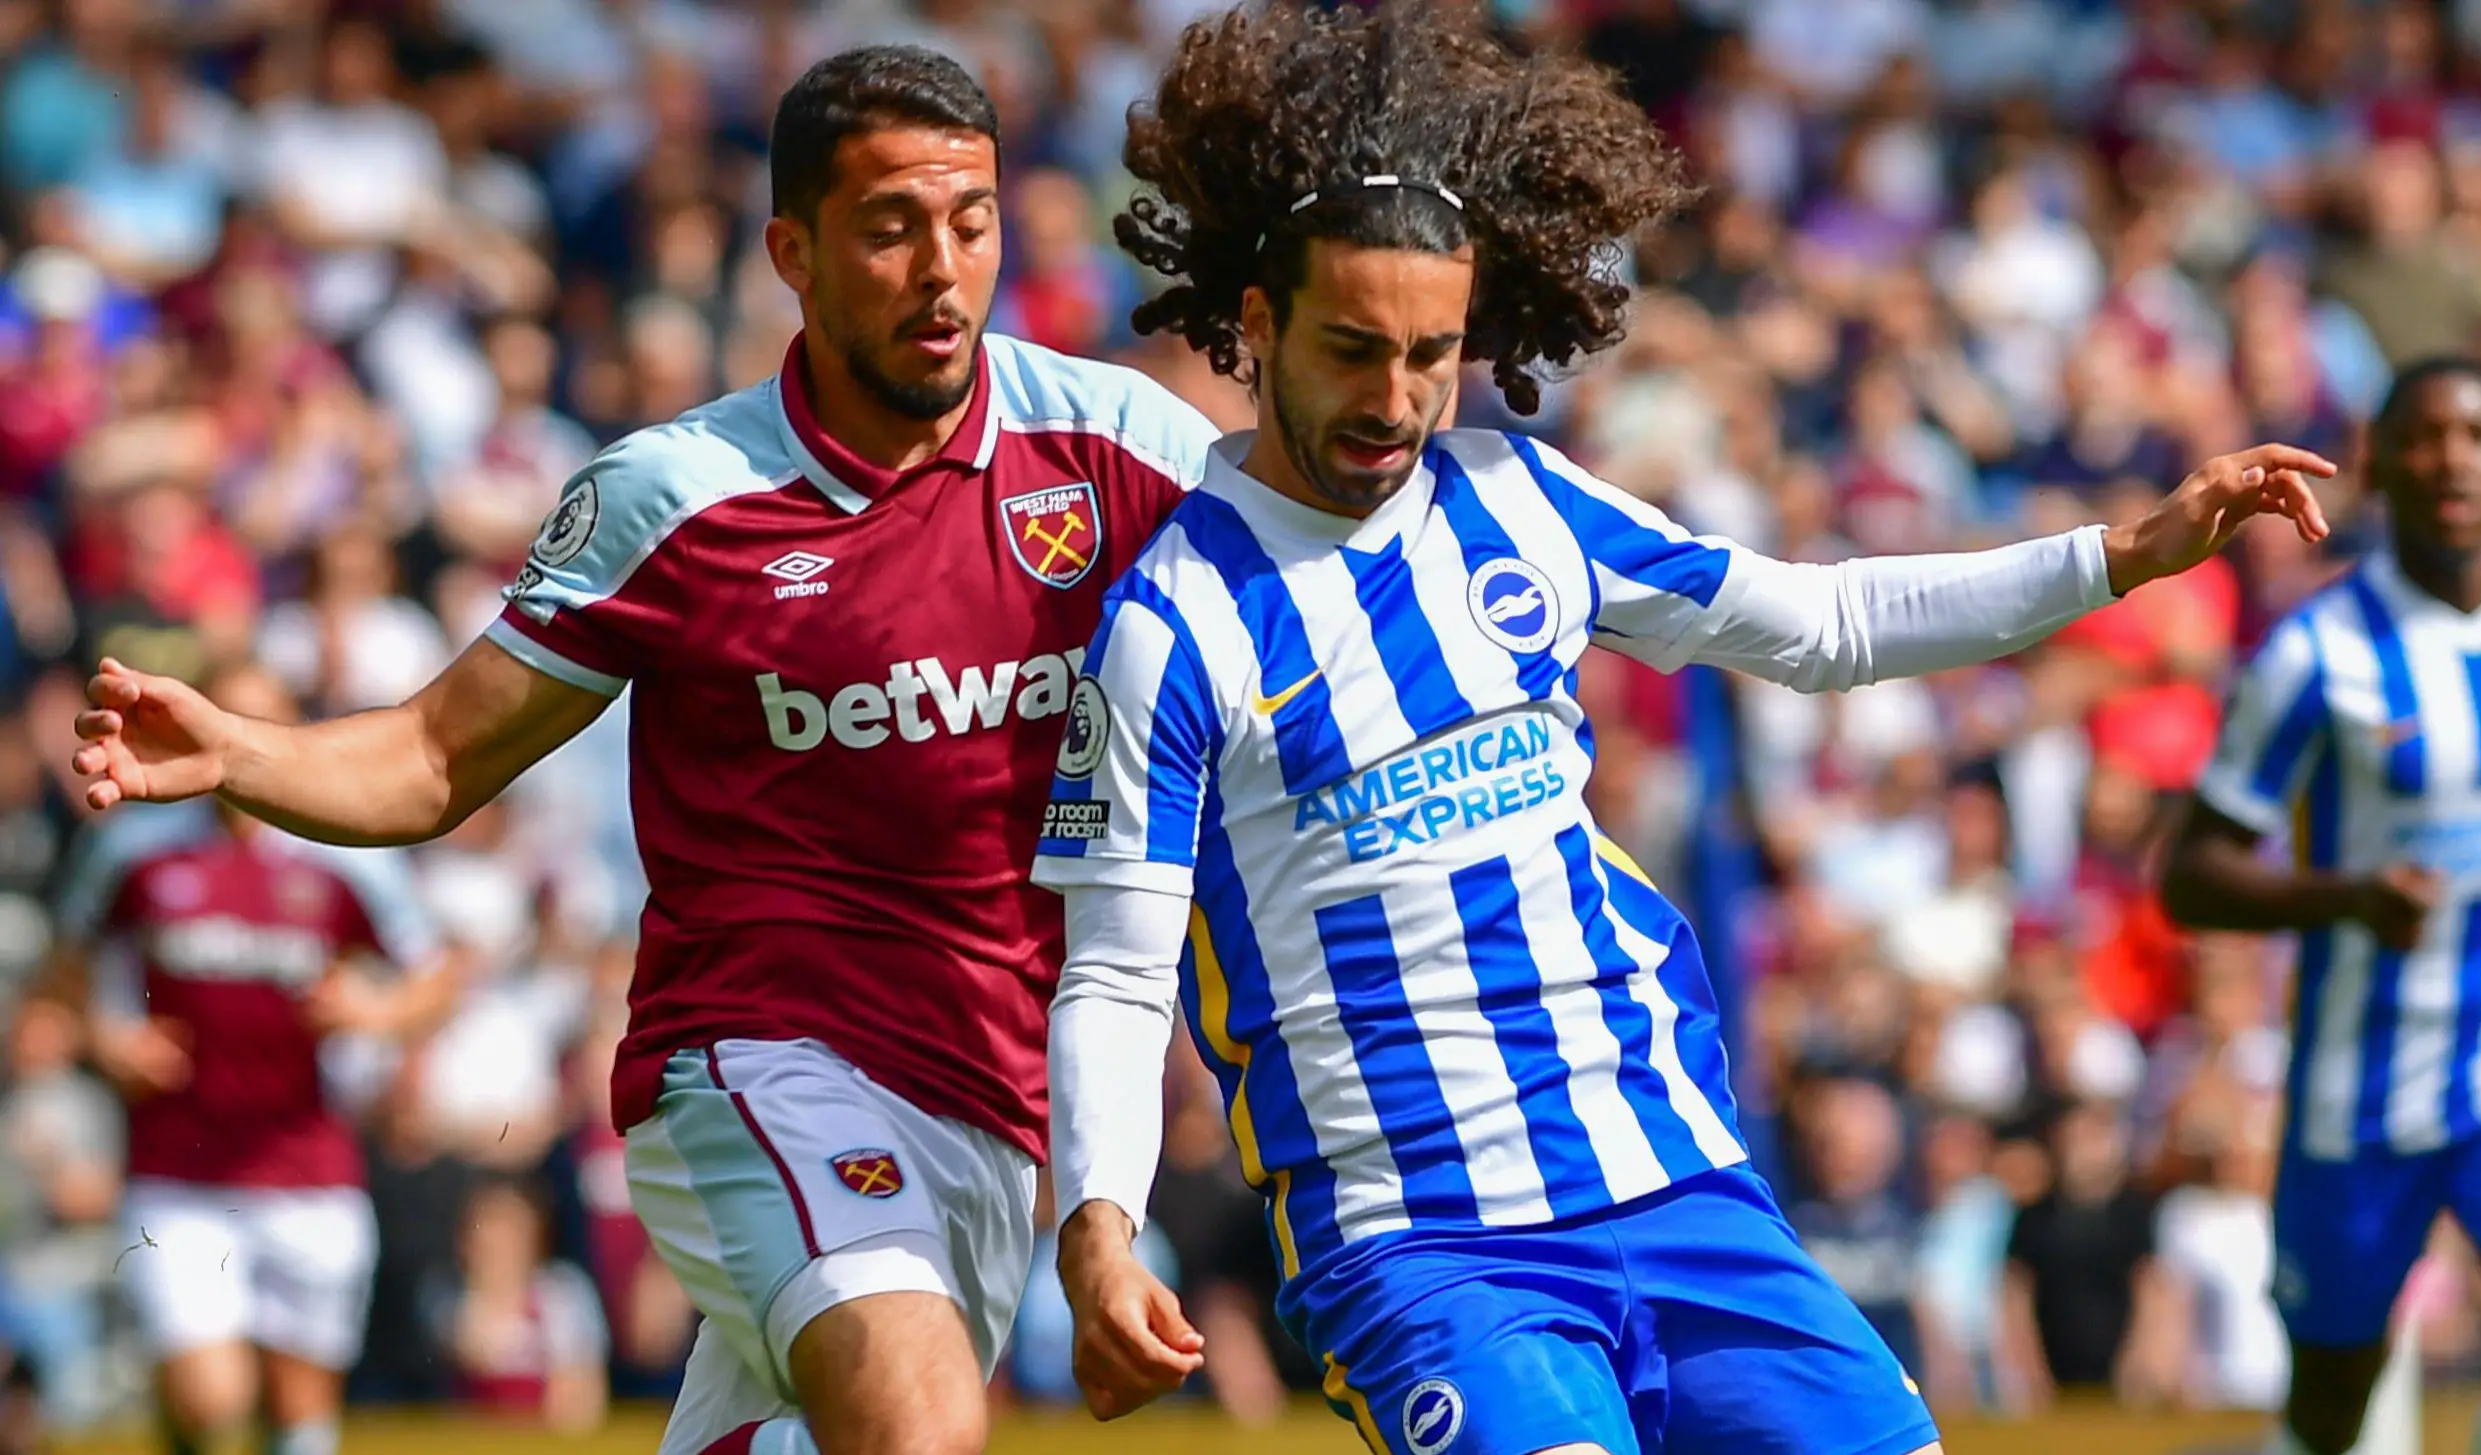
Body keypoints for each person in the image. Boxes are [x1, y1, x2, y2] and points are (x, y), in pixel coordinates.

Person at [1034, 5, 2333, 1452]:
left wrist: (2118, 555)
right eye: (1352, 349)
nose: (1394, 400)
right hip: (1429, 1241)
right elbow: (1117, 971)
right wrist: (1098, 1229)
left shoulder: (1519, 501)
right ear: (1258, 324)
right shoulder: (1171, 622)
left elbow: (1826, 625)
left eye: (1430, 355)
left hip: (1673, 1177)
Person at [68, 46, 1218, 1455]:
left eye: (969, 223)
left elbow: (1306, 610)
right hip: (763, 1055)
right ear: (792, 252)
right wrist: (238, 751)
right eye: (889, 227)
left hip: (991, 1091)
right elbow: (433, 756)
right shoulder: (677, 495)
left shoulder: (1119, 446)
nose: (941, 269)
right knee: (916, 1427)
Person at [2164, 356, 2481, 1455]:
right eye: (2423, 437)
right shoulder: (2316, 652)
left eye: (2478, 436)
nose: (2452, 459)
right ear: (2381, 467)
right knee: (2330, 1409)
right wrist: (2348, 897)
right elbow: (2190, 873)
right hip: (2357, 1088)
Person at [44, 663, 455, 1455]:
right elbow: (63, 970)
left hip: (310, 1169)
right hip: (180, 1171)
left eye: (261, 718)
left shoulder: (346, 847)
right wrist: (105, 1039)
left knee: (300, 1410)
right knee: (214, 1401)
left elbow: (437, 979)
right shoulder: (135, 844)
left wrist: (377, 1011)